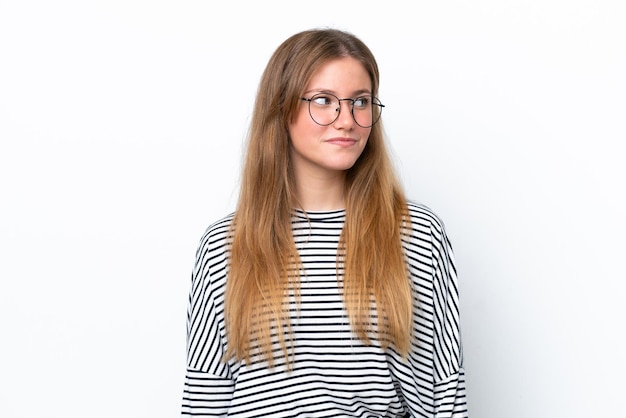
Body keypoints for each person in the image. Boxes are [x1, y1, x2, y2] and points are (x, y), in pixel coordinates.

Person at [181, 28, 468, 417]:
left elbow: (441, 396)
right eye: (324, 101)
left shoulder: (414, 235)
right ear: (281, 110)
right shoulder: (224, 246)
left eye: (360, 102)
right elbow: (206, 398)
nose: (346, 120)